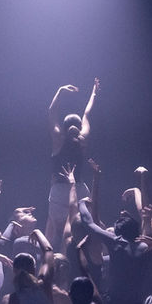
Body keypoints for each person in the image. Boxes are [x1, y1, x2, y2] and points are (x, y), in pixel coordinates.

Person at [47, 79, 99, 250]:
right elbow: (87, 114)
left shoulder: (58, 140)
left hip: (60, 190)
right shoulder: (82, 139)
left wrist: (60, 90)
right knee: (86, 226)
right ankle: (98, 253)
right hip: (79, 188)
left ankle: (56, 259)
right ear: (78, 126)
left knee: (57, 231)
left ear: (64, 125)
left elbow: (51, 112)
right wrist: (93, 93)